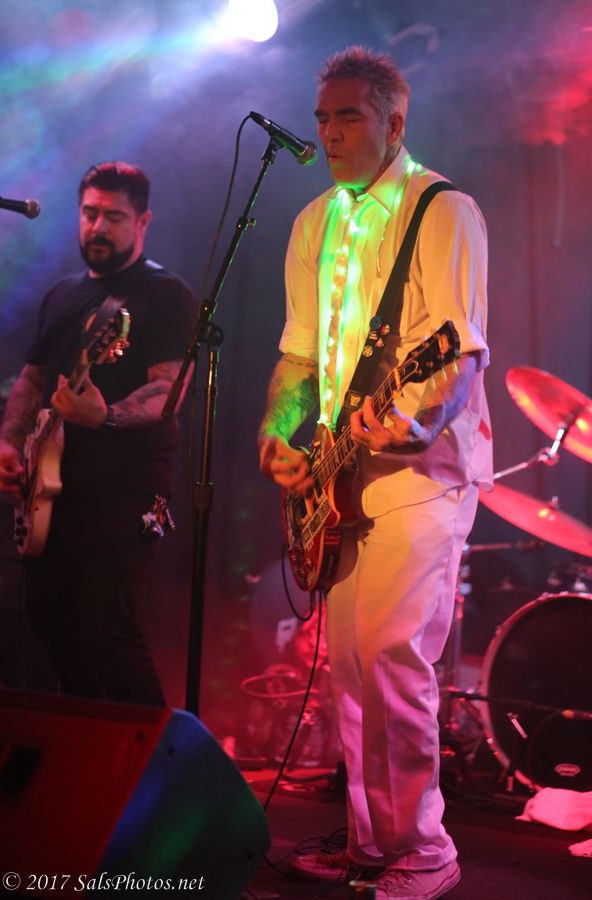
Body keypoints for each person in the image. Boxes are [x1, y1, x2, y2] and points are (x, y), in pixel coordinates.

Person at [258, 47, 492, 899]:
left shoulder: (442, 209)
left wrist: (413, 418)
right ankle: (371, 844)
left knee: (393, 655)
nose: (328, 134)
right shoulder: (312, 223)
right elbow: (297, 353)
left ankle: (425, 851)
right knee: (352, 664)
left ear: (395, 122)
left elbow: (457, 350)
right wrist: (278, 430)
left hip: (423, 473)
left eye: (348, 117)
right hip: (343, 474)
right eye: (323, 118)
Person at [0, 161, 197, 706]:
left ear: (143, 222)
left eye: (113, 217)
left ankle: (155, 751)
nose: (98, 227)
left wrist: (105, 416)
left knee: (107, 626)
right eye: (89, 214)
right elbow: (31, 380)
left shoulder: (164, 295)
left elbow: (169, 389)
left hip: (125, 484)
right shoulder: (62, 294)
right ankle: (91, 743)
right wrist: (9, 443)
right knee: (49, 618)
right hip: (54, 487)